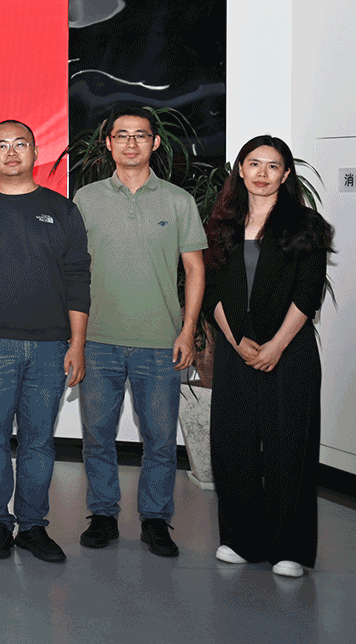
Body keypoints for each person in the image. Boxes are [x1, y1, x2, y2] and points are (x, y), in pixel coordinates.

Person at [73, 105, 206, 558]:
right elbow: (73, 269)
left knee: (161, 441)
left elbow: (195, 268)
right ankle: (103, 515)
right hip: (97, 341)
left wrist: (188, 330)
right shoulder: (86, 198)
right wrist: (75, 337)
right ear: (108, 143)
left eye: (141, 135)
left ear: (155, 142)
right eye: (122, 135)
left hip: (160, 342)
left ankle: (155, 520)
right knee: (97, 437)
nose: (131, 143)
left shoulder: (178, 201)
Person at [203, 135, 332, 578]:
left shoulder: (305, 224)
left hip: (289, 349)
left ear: (286, 174)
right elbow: (211, 292)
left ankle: (289, 548)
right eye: (254, 163)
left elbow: (308, 292)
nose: (262, 173)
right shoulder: (220, 225)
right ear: (240, 169)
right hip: (236, 346)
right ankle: (242, 539)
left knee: (289, 447)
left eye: (273, 166)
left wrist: (276, 345)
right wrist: (236, 340)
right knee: (233, 444)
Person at [0, 120, 90, 563]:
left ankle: (34, 526)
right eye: (1, 145)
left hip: (50, 347)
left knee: (39, 442)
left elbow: (78, 278)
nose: (11, 151)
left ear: (36, 153)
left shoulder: (62, 210)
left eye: (20, 143)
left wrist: (77, 344)